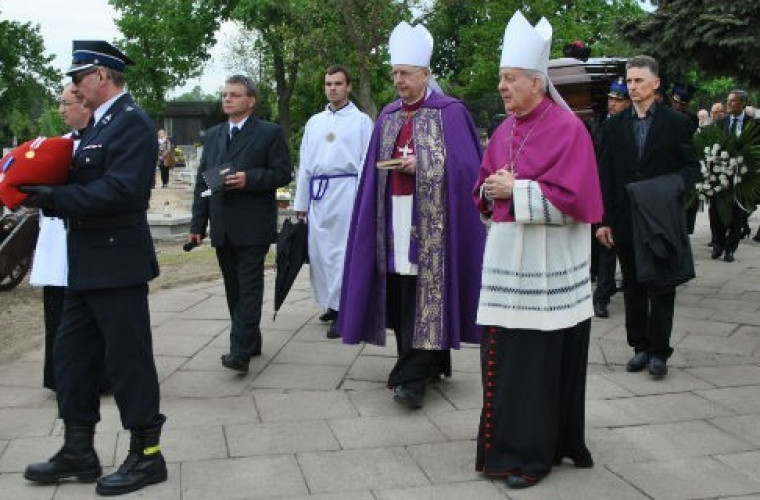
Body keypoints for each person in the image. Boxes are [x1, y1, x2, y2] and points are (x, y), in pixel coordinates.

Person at [21, 40, 167, 496]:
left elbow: (123, 191)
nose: (72, 87)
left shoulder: (132, 124)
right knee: (71, 361)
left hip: (117, 262)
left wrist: (56, 199)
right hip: (85, 264)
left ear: (100, 76)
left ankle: (148, 456)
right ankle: (78, 450)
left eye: (76, 77)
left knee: (129, 363)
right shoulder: (97, 125)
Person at [473, 11, 603, 489]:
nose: (503, 87)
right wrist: (489, 192)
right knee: (502, 357)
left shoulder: (569, 131)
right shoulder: (504, 128)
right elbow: (484, 185)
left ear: (536, 82)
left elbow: (579, 203)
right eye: (502, 79)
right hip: (506, 259)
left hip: (547, 267)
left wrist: (518, 191)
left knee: (534, 364)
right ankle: (502, 446)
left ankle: (532, 454)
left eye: (510, 80)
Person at [337, 21, 485, 410]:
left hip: (433, 219)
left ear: (425, 74)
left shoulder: (450, 112)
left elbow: (469, 168)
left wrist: (427, 164)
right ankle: (427, 361)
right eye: (395, 73)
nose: (398, 80)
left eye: (405, 74)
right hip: (394, 216)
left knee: (427, 288)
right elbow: (373, 171)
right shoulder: (387, 115)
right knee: (403, 290)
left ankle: (412, 377)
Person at [597, 55, 699, 379]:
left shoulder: (677, 123)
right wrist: (604, 220)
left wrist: (669, 188)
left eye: (639, 81)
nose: (633, 87)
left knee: (662, 287)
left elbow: (691, 168)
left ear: (655, 84)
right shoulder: (614, 126)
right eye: (629, 81)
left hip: (660, 220)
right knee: (633, 286)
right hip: (626, 220)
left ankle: (659, 352)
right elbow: (606, 175)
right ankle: (639, 347)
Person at [189, 75, 292, 373]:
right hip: (222, 226)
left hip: (252, 225)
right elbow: (202, 183)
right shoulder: (214, 135)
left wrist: (251, 179)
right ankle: (251, 340)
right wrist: (198, 224)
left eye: (234, 95)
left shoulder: (269, 133)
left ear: (251, 100)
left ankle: (239, 352)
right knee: (234, 290)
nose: (227, 99)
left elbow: (283, 173)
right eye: (224, 95)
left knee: (249, 288)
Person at [293, 65, 373, 338]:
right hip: (319, 193)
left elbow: (366, 161)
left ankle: (344, 309)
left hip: (346, 190)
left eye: (338, 83)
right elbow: (304, 162)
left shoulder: (361, 121)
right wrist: (300, 203)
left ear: (348, 86)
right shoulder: (314, 122)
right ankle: (329, 301)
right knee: (319, 252)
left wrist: (363, 198)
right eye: (328, 83)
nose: (332, 88)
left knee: (341, 251)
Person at [29, 84, 90, 392]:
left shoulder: (98, 143)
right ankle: (59, 377)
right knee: (57, 313)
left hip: (87, 241)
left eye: (66, 103)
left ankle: (95, 376)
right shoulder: (56, 145)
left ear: (85, 105)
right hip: (56, 242)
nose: (61, 110)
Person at [593, 77, 630, 319]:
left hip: (629, 196)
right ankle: (601, 298)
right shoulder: (598, 123)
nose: (612, 104)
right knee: (607, 252)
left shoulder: (631, 125)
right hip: (605, 196)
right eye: (611, 98)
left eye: (618, 100)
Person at [709, 89, 754, 261]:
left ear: (743, 103)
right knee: (716, 211)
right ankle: (718, 243)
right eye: (728, 100)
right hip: (720, 174)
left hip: (743, 177)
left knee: (738, 213)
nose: (729, 104)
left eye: (733, 101)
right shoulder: (721, 123)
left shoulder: (753, 124)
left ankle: (730, 248)